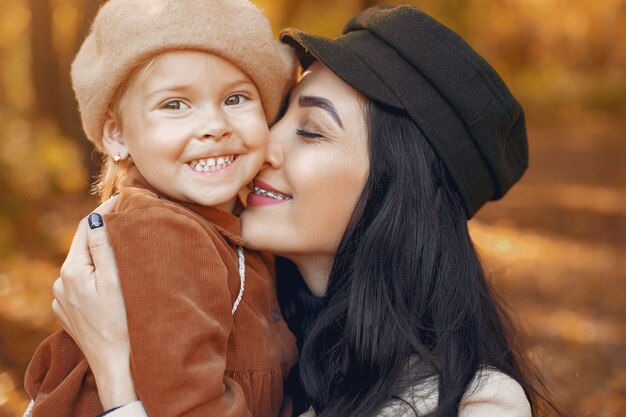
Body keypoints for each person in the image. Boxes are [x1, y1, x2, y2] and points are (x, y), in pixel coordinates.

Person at [50, 5, 558, 417]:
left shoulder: (471, 404)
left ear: (395, 188)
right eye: (279, 114)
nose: (264, 144)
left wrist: (119, 379)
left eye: (311, 130)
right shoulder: (257, 321)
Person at [23, 1, 298, 417]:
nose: (214, 125)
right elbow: (188, 403)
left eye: (236, 98)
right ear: (117, 135)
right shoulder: (159, 230)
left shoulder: (231, 229)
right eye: (174, 104)